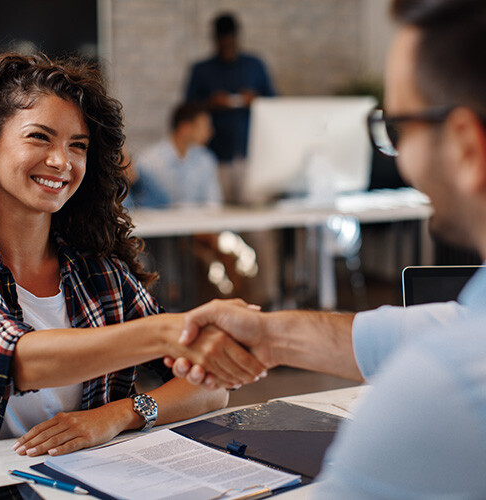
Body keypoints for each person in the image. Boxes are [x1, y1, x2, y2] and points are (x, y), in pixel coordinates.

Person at [169, 0, 486, 496]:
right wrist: (270, 337)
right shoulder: (466, 334)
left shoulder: (437, 396)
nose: (399, 158)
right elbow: (428, 328)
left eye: (399, 129)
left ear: (467, 146)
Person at [0, 52, 266, 452]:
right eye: (40, 136)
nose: (61, 161)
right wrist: (167, 333)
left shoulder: (98, 271)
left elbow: (209, 387)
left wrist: (118, 414)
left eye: (78, 145)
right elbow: (18, 360)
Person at [185, 13, 275, 202]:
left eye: (230, 40)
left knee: (256, 219)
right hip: (215, 155)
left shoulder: (254, 65)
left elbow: (275, 103)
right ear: (215, 40)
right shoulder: (202, 70)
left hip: (251, 153)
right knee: (219, 215)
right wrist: (211, 103)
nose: (227, 45)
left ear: (237, 38)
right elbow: (187, 109)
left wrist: (256, 100)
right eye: (222, 41)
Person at [128, 102, 222, 208]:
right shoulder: (149, 161)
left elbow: (213, 203)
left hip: (199, 223)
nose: (210, 132)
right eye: (205, 127)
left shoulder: (206, 159)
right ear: (185, 128)